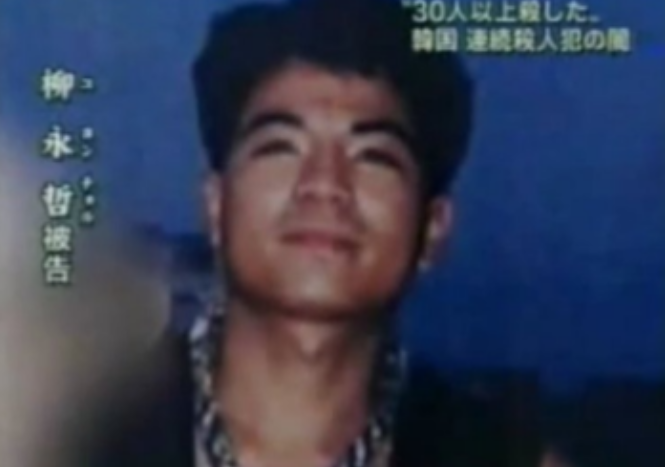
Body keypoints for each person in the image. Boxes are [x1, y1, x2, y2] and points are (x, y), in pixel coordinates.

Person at [75, 0, 544, 466]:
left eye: (373, 156)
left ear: (434, 228)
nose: (324, 184)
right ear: (215, 206)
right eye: (281, 147)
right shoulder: (66, 432)